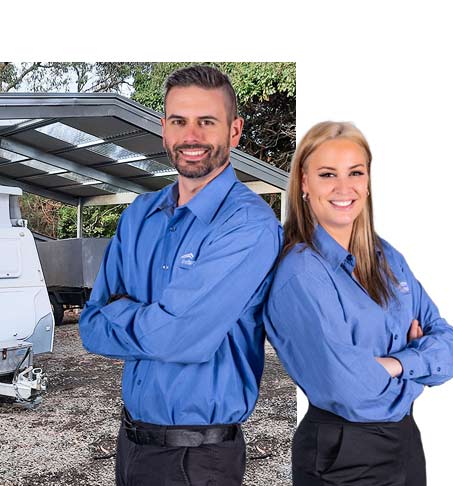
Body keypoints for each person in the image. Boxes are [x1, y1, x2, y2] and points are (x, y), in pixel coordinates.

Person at [78, 65, 282, 486]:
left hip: (199, 459)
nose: (191, 136)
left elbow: (179, 336)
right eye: (179, 121)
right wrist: (160, 320)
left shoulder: (248, 225)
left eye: (207, 122)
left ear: (234, 130)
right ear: (164, 129)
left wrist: (133, 314)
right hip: (130, 443)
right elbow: (90, 325)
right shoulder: (139, 215)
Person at [263, 121, 453, 485]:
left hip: (404, 443)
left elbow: (451, 349)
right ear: (304, 183)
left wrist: (391, 365)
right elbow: (350, 390)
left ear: (368, 181)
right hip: (342, 454)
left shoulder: (387, 256)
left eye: (355, 172)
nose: (344, 187)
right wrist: (417, 360)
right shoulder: (301, 274)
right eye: (327, 174)